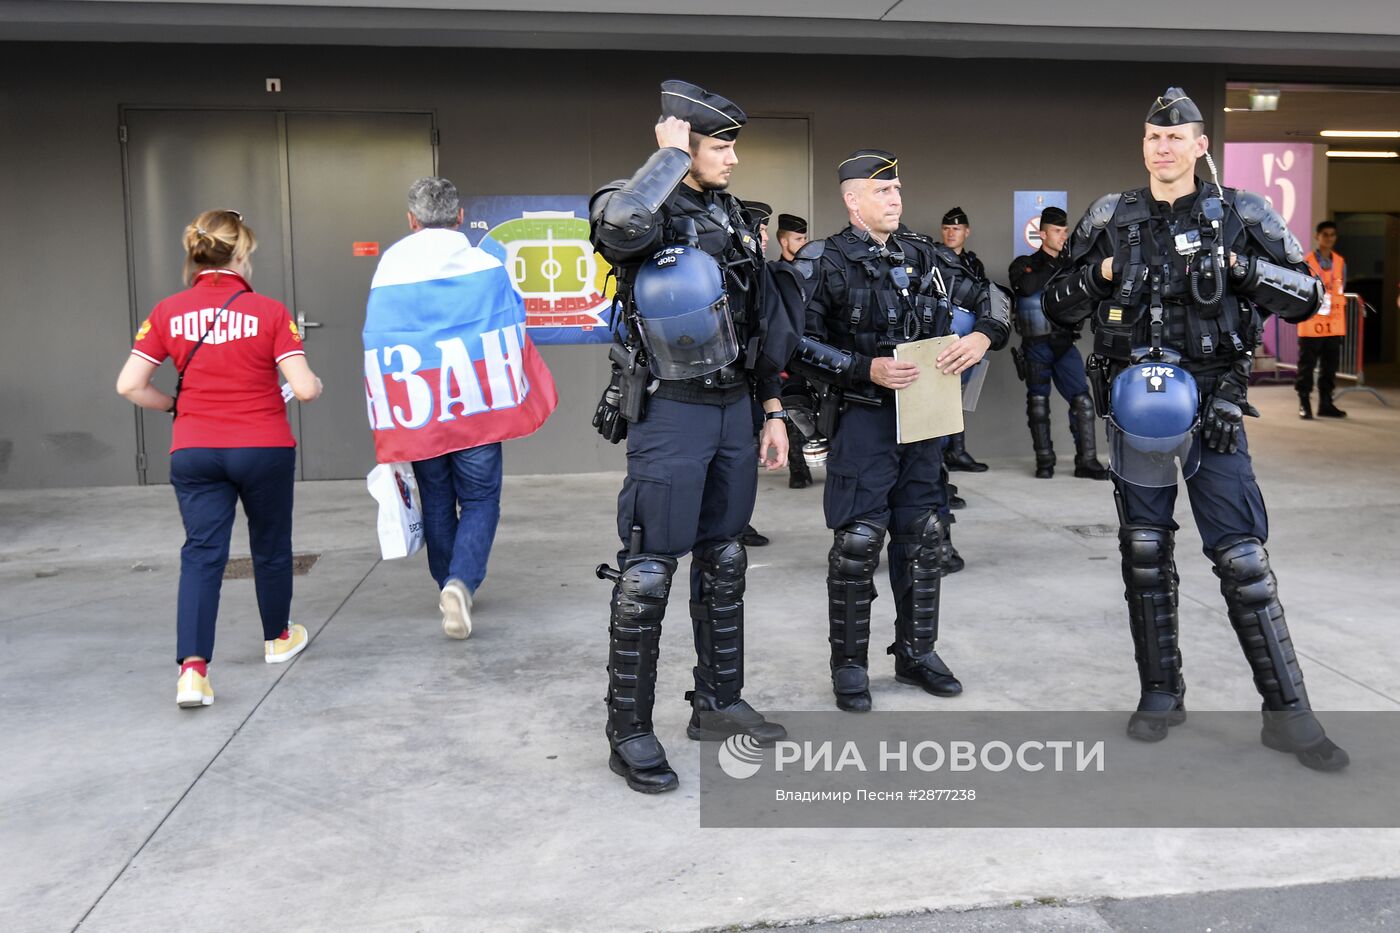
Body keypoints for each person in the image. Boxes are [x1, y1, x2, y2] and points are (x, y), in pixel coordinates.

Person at [1044, 87, 1347, 771]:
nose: (1163, 147)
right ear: (1143, 143)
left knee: (1244, 562)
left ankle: (1288, 713)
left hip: (1214, 409)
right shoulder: (1109, 216)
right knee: (1145, 552)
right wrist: (1101, 273)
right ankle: (1160, 691)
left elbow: (1309, 298)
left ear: (1200, 144)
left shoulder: (1243, 213)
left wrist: (1241, 267)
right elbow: (1055, 306)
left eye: (1176, 137)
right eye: (1154, 136)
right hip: (1135, 411)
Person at [588, 80, 790, 794]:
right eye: (719, 144)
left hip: (734, 406)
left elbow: (761, 319)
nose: (732, 158)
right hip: (671, 409)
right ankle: (629, 730)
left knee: (725, 556)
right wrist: (666, 159)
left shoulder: (732, 216)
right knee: (649, 568)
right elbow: (619, 230)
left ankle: (717, 701)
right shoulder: (638, 201)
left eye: (733, 145)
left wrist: (771, 408)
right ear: (682, 143)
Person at [786, 149, 1010, 713]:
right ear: (851, 199)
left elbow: (993, 300)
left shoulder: (925, 254)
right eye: (882, 192)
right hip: (863, 416)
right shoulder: (823, 261)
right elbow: (793, 344)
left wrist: (982, 337)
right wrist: (867, 368)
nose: (895, 200)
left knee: (924, 537)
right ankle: (850, 666)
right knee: (859, 545)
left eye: (898, 191)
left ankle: (916, 654)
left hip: (926, 417)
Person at [116, 209, 322, 708]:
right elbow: (303, 389)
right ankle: (277, 637)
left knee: (201, 554)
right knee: (270, 546)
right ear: (242, 255)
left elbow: (129, 385)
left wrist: (175, 406)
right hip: (262, 447)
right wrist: (312, 383)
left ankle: (192, 671)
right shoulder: (270, 312)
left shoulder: (167, 312)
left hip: (194, 449)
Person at [363, 177, 557, 641]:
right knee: (480, 498)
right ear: (460, 217)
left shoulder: (391, 265)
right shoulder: (484, 262)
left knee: (435, 498)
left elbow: (379, 337)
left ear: (411, 220)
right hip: (477, 403)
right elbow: (512, 320)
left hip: (422, 407)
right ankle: (460, 581)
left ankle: (447, 581)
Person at [1008, 205, 1109, 480]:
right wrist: (1058, 263)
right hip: (1036, 345)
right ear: (1042, 234)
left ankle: (1087, 461)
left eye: (1065, 231)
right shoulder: (1025, 263)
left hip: (1064, 343)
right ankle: (1045, 461)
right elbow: (1027, 287)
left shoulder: (1073, 266)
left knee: (1083, 402)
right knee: (1038, 402)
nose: (1063, 236)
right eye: (1056, 231)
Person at [939, 206, 989, 475]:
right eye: (946, 228)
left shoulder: (973, 263)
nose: (950, 233)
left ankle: (957, 451)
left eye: (956, 228)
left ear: (966, 232)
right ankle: (940, 457)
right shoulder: (933, 256)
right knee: (941, 397)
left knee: (964, 397)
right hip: (943, 338)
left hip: (970, 340)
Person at [775, 213, 817, 489]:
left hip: (814, 348)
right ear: (783, 240)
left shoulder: (814, 270)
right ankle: (798, 466)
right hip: (787, 352)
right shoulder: (775, 273)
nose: (803, 243)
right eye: (798, 238)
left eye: (805, 238)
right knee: (791, 404)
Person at [1296, 220, 1348, 419]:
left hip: (1334, 325)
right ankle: (1304, 403)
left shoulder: (1341, 262)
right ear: (1317, 237)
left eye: (1332, 235)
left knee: (1330, 367)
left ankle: (1326, 403)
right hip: (1311, 324)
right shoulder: (1307, 261)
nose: (1329, 238)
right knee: (1307, 366)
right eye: (1325, 234)